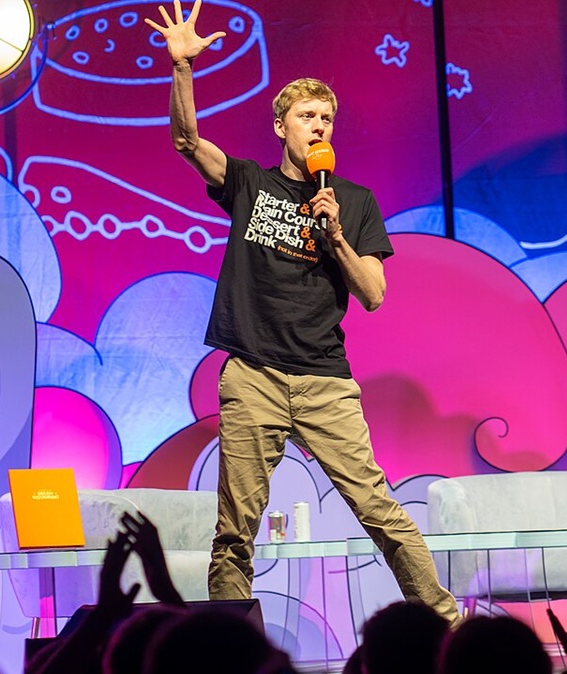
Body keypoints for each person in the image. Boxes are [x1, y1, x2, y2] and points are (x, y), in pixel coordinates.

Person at [144, 0, 461, 625]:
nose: (319, 127)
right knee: (237, 525)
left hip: (324, 380)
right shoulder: (249, 185)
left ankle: (449, 629)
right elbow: (187, 141)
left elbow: (373, 293)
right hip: (254, 375)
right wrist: (182, 69)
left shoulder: (353, 201)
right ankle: (232, 651)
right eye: (306, 117)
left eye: (327, 119)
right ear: (281, 127)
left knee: (379, 509)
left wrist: (336, 234)